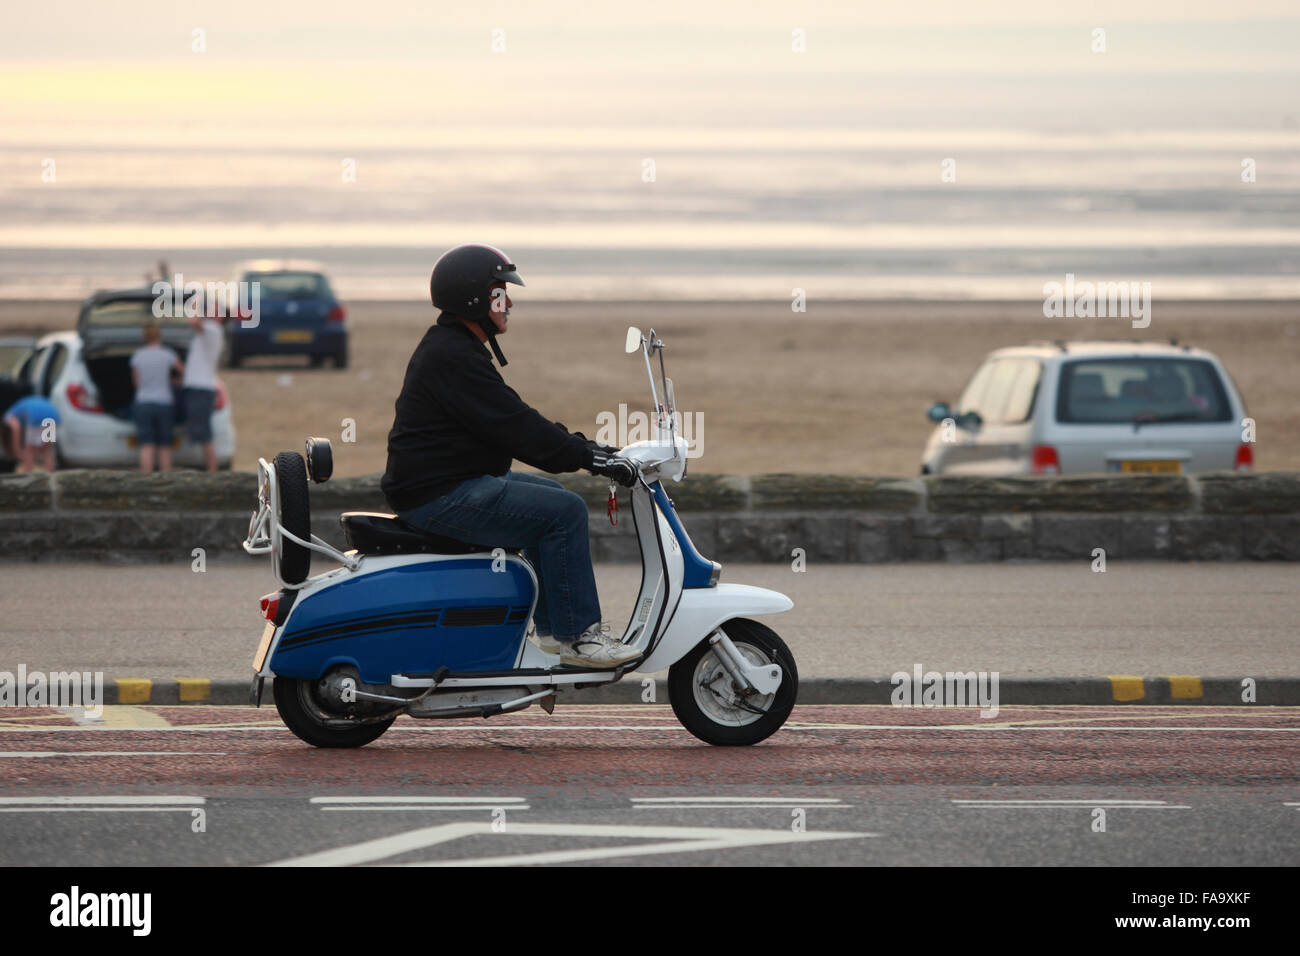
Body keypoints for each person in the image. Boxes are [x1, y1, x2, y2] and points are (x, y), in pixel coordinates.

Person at [381, 243, 640, 668]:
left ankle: (555, 637)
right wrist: (589, 457)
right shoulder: (453, 356)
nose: (509, 301)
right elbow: (517, 427)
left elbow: (515, 420)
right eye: (500, 293)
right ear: (475, 300)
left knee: (551, 498)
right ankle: (579, 638)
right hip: (439, 496)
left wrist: (589, 451)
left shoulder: (453, 347)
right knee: (565, 511)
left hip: (443, 486)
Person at [130, 323, 183, 473]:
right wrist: (174, 382)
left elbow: (136, 382)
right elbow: (182, 371)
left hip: (143, 402)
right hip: (164, 402)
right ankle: (166, 481)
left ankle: (145, 480)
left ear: (144, 338)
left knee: (146, 444)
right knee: (165, 445)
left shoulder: (138, 356)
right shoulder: (168, 354)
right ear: (159, 336)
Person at [182, 305, 225, 472]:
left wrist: (196, 307)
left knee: (205, 434)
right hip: (200, 387)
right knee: (204, 432)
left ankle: (211, 472)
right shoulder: (211, 331)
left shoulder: (212, 329)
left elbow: (193, 321)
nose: (207, 314)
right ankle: (210, 470)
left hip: (200, 388)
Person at [3, 393, 60, 473]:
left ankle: (28, 476)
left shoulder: (8, 415)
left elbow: (16, 428)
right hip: (53, 416)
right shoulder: (22, 405)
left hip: (36, 416)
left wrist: (17, 450)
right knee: (47, 450)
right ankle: (50, 477)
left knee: (29, 450)